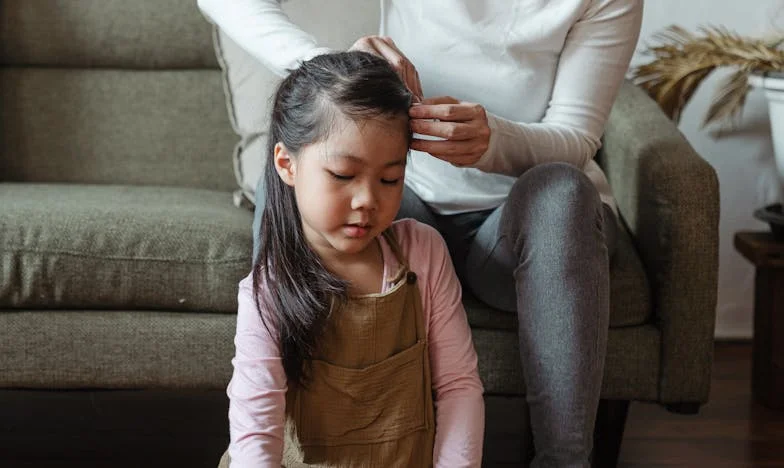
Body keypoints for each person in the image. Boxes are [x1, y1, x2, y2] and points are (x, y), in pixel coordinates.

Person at [199, 1, 643, 465]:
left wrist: (496, 142)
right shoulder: (372, 202)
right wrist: (325, 69)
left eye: (378, 181)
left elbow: (575, 136)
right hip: (410, 200)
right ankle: (273, 444)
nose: (362, 197)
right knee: (297, 195)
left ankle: (565, 460)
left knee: (563, 191)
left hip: (514, 225)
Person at [219, 51, 484, 467]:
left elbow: (458, 387)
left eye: (390, 179)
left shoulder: (424, 253)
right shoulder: (267, 288)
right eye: (343, 175)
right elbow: (256, 430)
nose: (367, 200)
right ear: (287, 164)